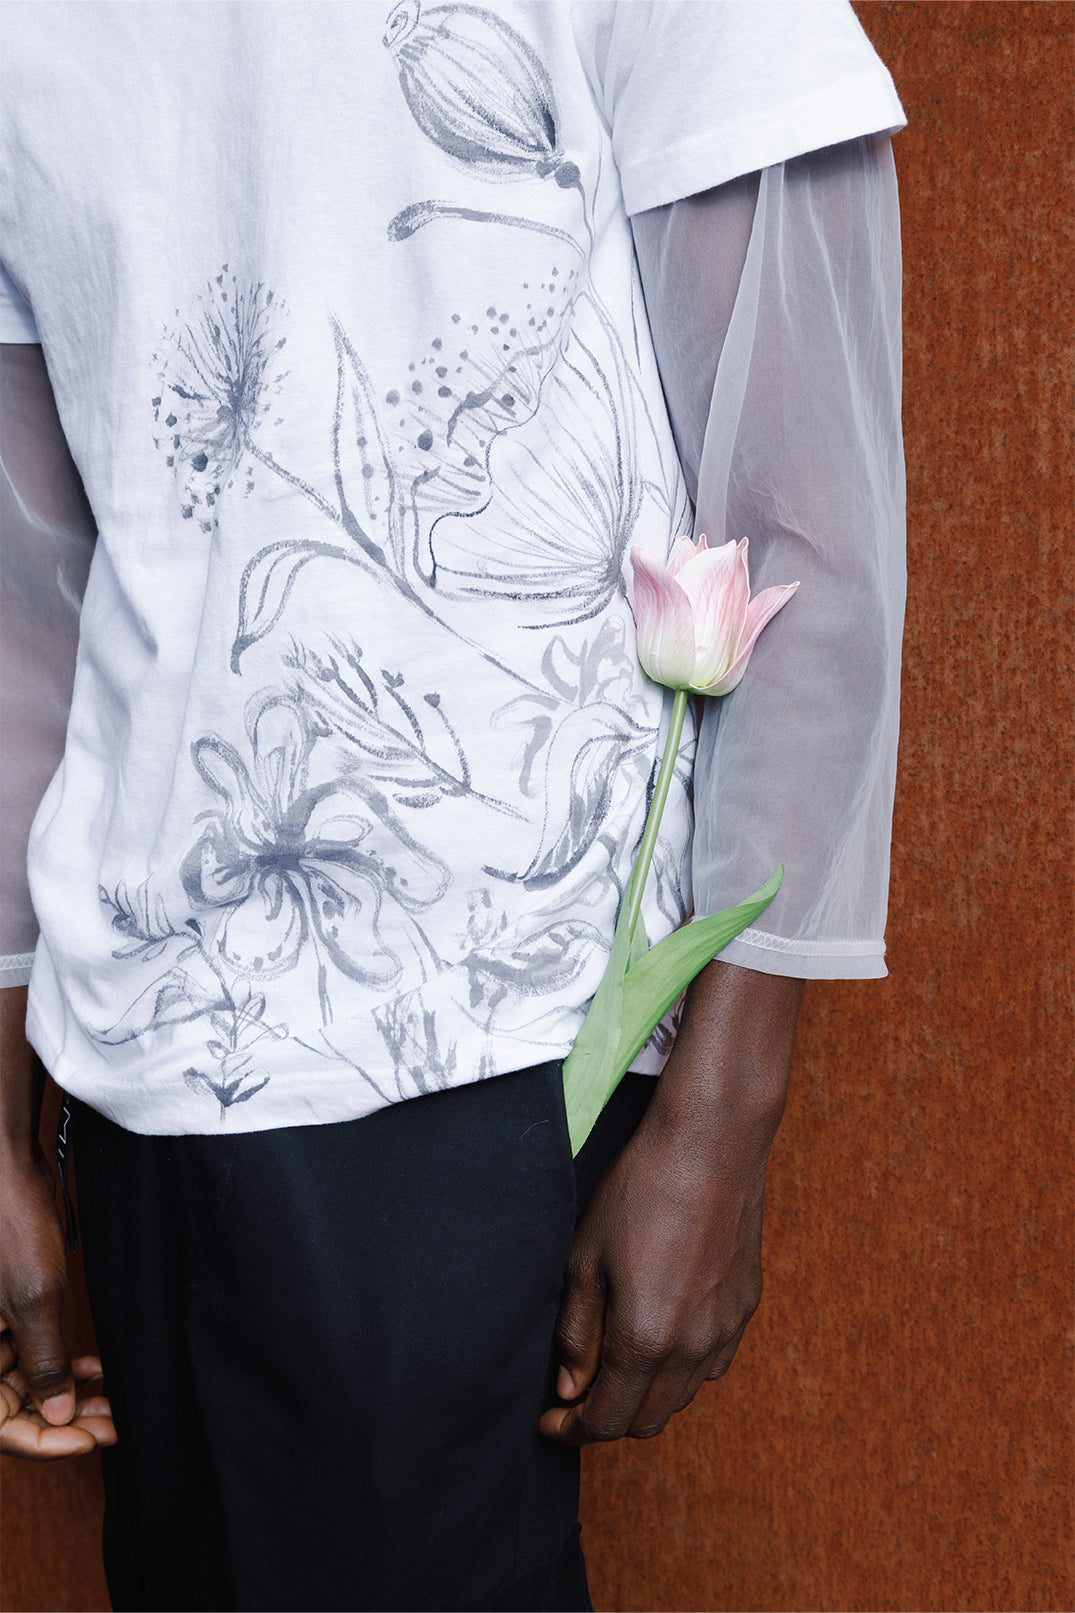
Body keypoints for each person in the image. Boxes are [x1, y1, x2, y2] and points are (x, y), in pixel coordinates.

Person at [0, 3, 906, 1608]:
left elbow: (804, 536)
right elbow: (24, 603)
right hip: (132, 1061)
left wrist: (725, 1109)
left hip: (478, 1040)